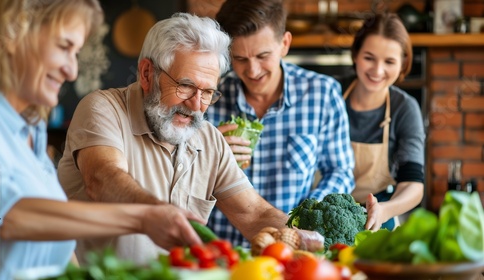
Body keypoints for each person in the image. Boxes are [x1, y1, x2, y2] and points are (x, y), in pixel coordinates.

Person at [57, 12, 322, 265]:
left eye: (208, 92)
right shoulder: (103, 108)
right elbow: (103, 177)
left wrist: (322, 236)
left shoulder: (208, 138)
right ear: (148, 74)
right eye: (185, 86)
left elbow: (254, 213)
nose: (196, 105)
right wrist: (157, 212)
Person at [0, 1, 208, 280]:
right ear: (13, 34)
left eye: (76, 53)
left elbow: (55, 240)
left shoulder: (31, 131)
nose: (72, 71)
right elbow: (7, 217)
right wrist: (142, 218)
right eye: (64, 47)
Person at [206, 0, 355, 247]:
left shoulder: (322, 94)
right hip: (222, 250)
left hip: (291, 247)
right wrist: (209, 156)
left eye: (263, 56)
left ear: (284, 43)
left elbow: (340, 171)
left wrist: (309, 215)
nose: (252, 71)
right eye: (240, 58)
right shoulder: (208, 97)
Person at [338, 13, 425, 231]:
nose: (377, 70)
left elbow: (412, 183)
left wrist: (385, 209)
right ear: (355, 55)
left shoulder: (404, 108)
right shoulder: (331, 94)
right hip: (324, 215)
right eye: (369, 57)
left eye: (389, 62)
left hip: (379, 217)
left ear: (403, 63)